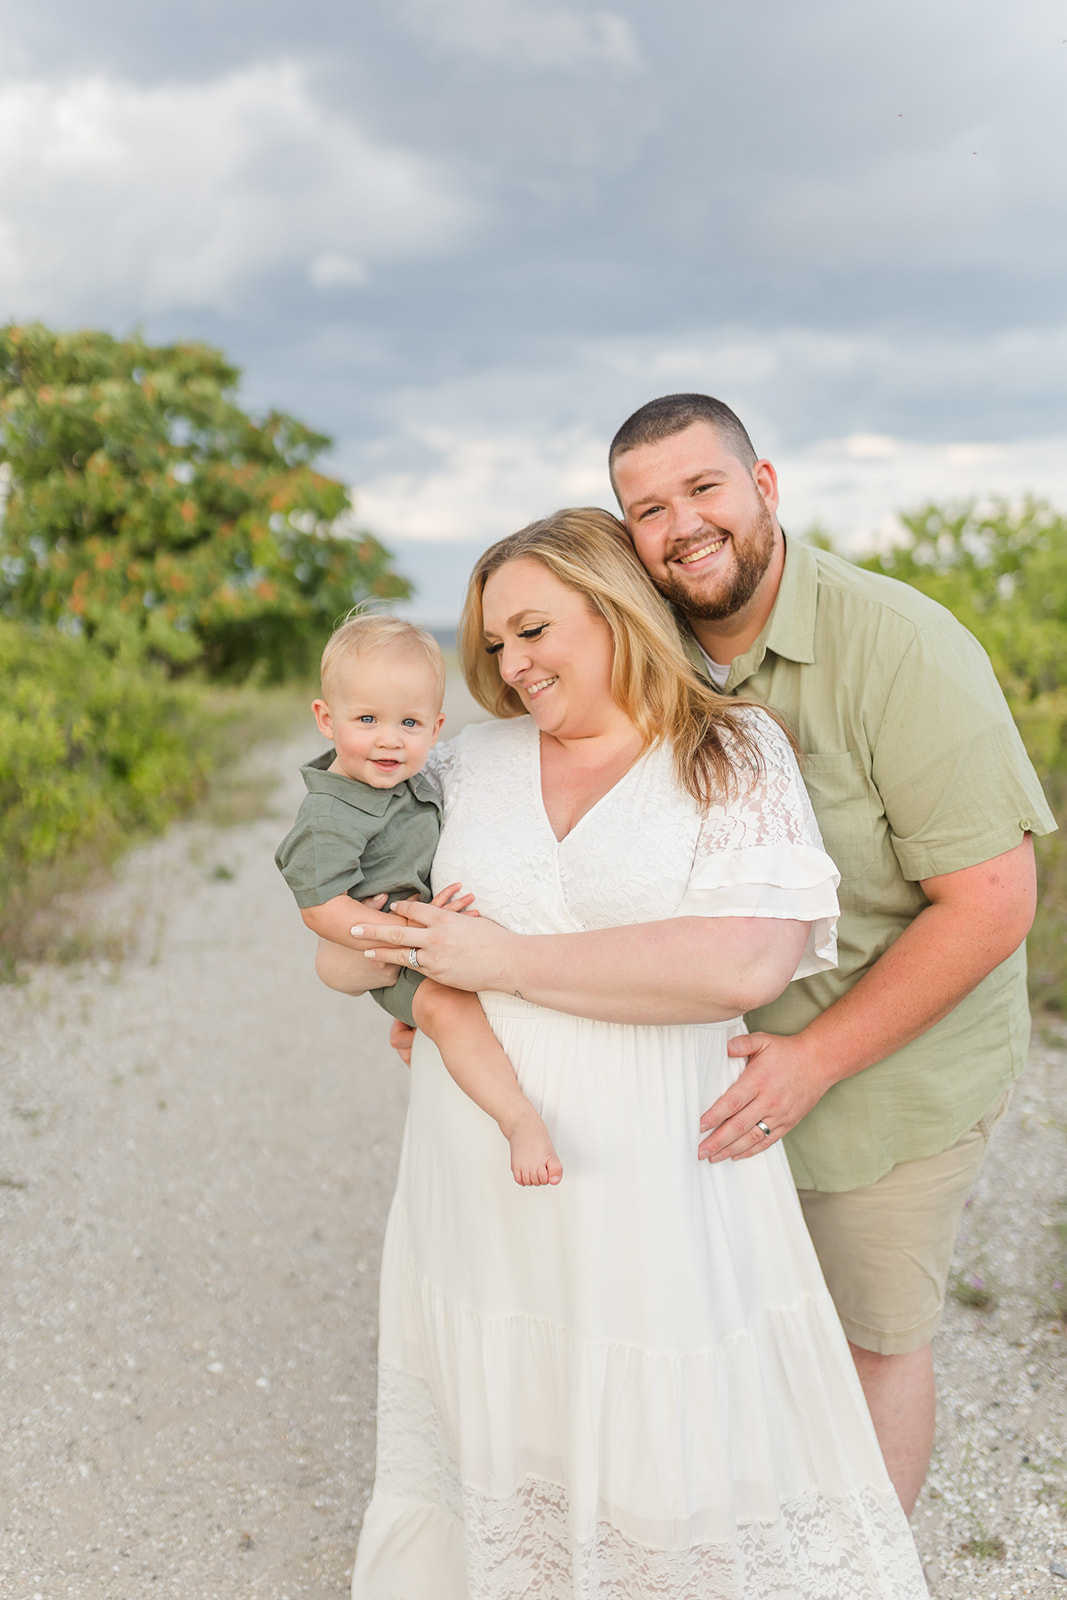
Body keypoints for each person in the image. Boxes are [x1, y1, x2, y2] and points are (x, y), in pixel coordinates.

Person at [322, 510, 928, 1597]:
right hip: (479, 1161)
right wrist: (389, 966)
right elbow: (356, 926)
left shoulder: (730, 749)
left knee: (662, 1406)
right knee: (505, 1405)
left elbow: (741, 963)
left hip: (656, 1157)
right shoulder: (460, 763)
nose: (510, 664)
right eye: (493, 643)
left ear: (610, 610)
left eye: (532, 630)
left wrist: (495, 959)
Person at [605, 393, 1057, 1512]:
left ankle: (863, 1568)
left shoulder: (897, 645)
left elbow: (993, 903)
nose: (682, 525)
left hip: (890, 1060)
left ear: (763, 488)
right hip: (714, 1063)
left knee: (866, 1337)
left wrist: (812, 1062)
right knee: (728, 1323)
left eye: (703, 488)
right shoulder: (634, 655)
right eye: (647, 509)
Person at [275, 612, 562, 1185]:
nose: (389, 738)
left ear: (436, 727)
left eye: (409, 721)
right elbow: (320, 907)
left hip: (431, 938)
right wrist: (411, 943)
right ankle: (518, 1119)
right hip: (393, 947)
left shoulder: (409, 780)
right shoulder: (330, 812)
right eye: (366, 719)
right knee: (447, 1009)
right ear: (326, 720)